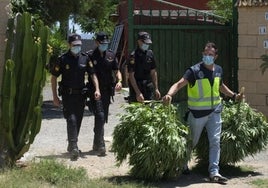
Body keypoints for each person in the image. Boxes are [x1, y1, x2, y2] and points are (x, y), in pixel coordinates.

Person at [162, 42, 243, 182]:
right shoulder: (193, 71)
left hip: (215, 112)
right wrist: (169, 94)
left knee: (215, 142)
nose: (207, 56)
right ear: (202, 54)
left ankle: (214, 172)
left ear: (216, 56)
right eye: (205, 54)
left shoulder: (218, 70)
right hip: (197, 114)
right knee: (192, 141)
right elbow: (179, 84)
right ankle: (182, 164)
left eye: (210, 55)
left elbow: (221, 86)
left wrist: (234, 96)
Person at [49, 33, 101, 160]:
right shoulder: (62, 59)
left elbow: (93, 74)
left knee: (78, 120)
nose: (77, 47)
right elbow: (53, 78)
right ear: (69, 45)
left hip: (81, 95)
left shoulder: (85, 58)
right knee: (71, 119)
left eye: (79, 45)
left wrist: (97, 89)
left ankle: (72, 144)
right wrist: (55, 97)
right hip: (68, 95)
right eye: (74, 45)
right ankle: (74, 146)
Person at [86, 31, 122, 156]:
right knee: (100, 115)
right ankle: (101, 144)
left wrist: (119, 81)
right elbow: (92, 74)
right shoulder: (90, 56)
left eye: (106, 43)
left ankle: (96, 141)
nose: (104, 45)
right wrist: (96, 89)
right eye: (102, 43)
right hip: (95, 91)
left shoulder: (111, 55)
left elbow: (117, 70)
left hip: (107, 91)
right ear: (96, 42)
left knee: (102, 117)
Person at [127, 31, 161, 103]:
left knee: (149, 111)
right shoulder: (133, 56)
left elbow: (153, 72)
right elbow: (131, 76)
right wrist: (138, 92)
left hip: (148, 87)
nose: (147, 44)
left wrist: (156, 88)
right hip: (137, 87)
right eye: (145, 43)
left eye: (148, 43)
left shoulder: (150, 54)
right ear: (139, 41)